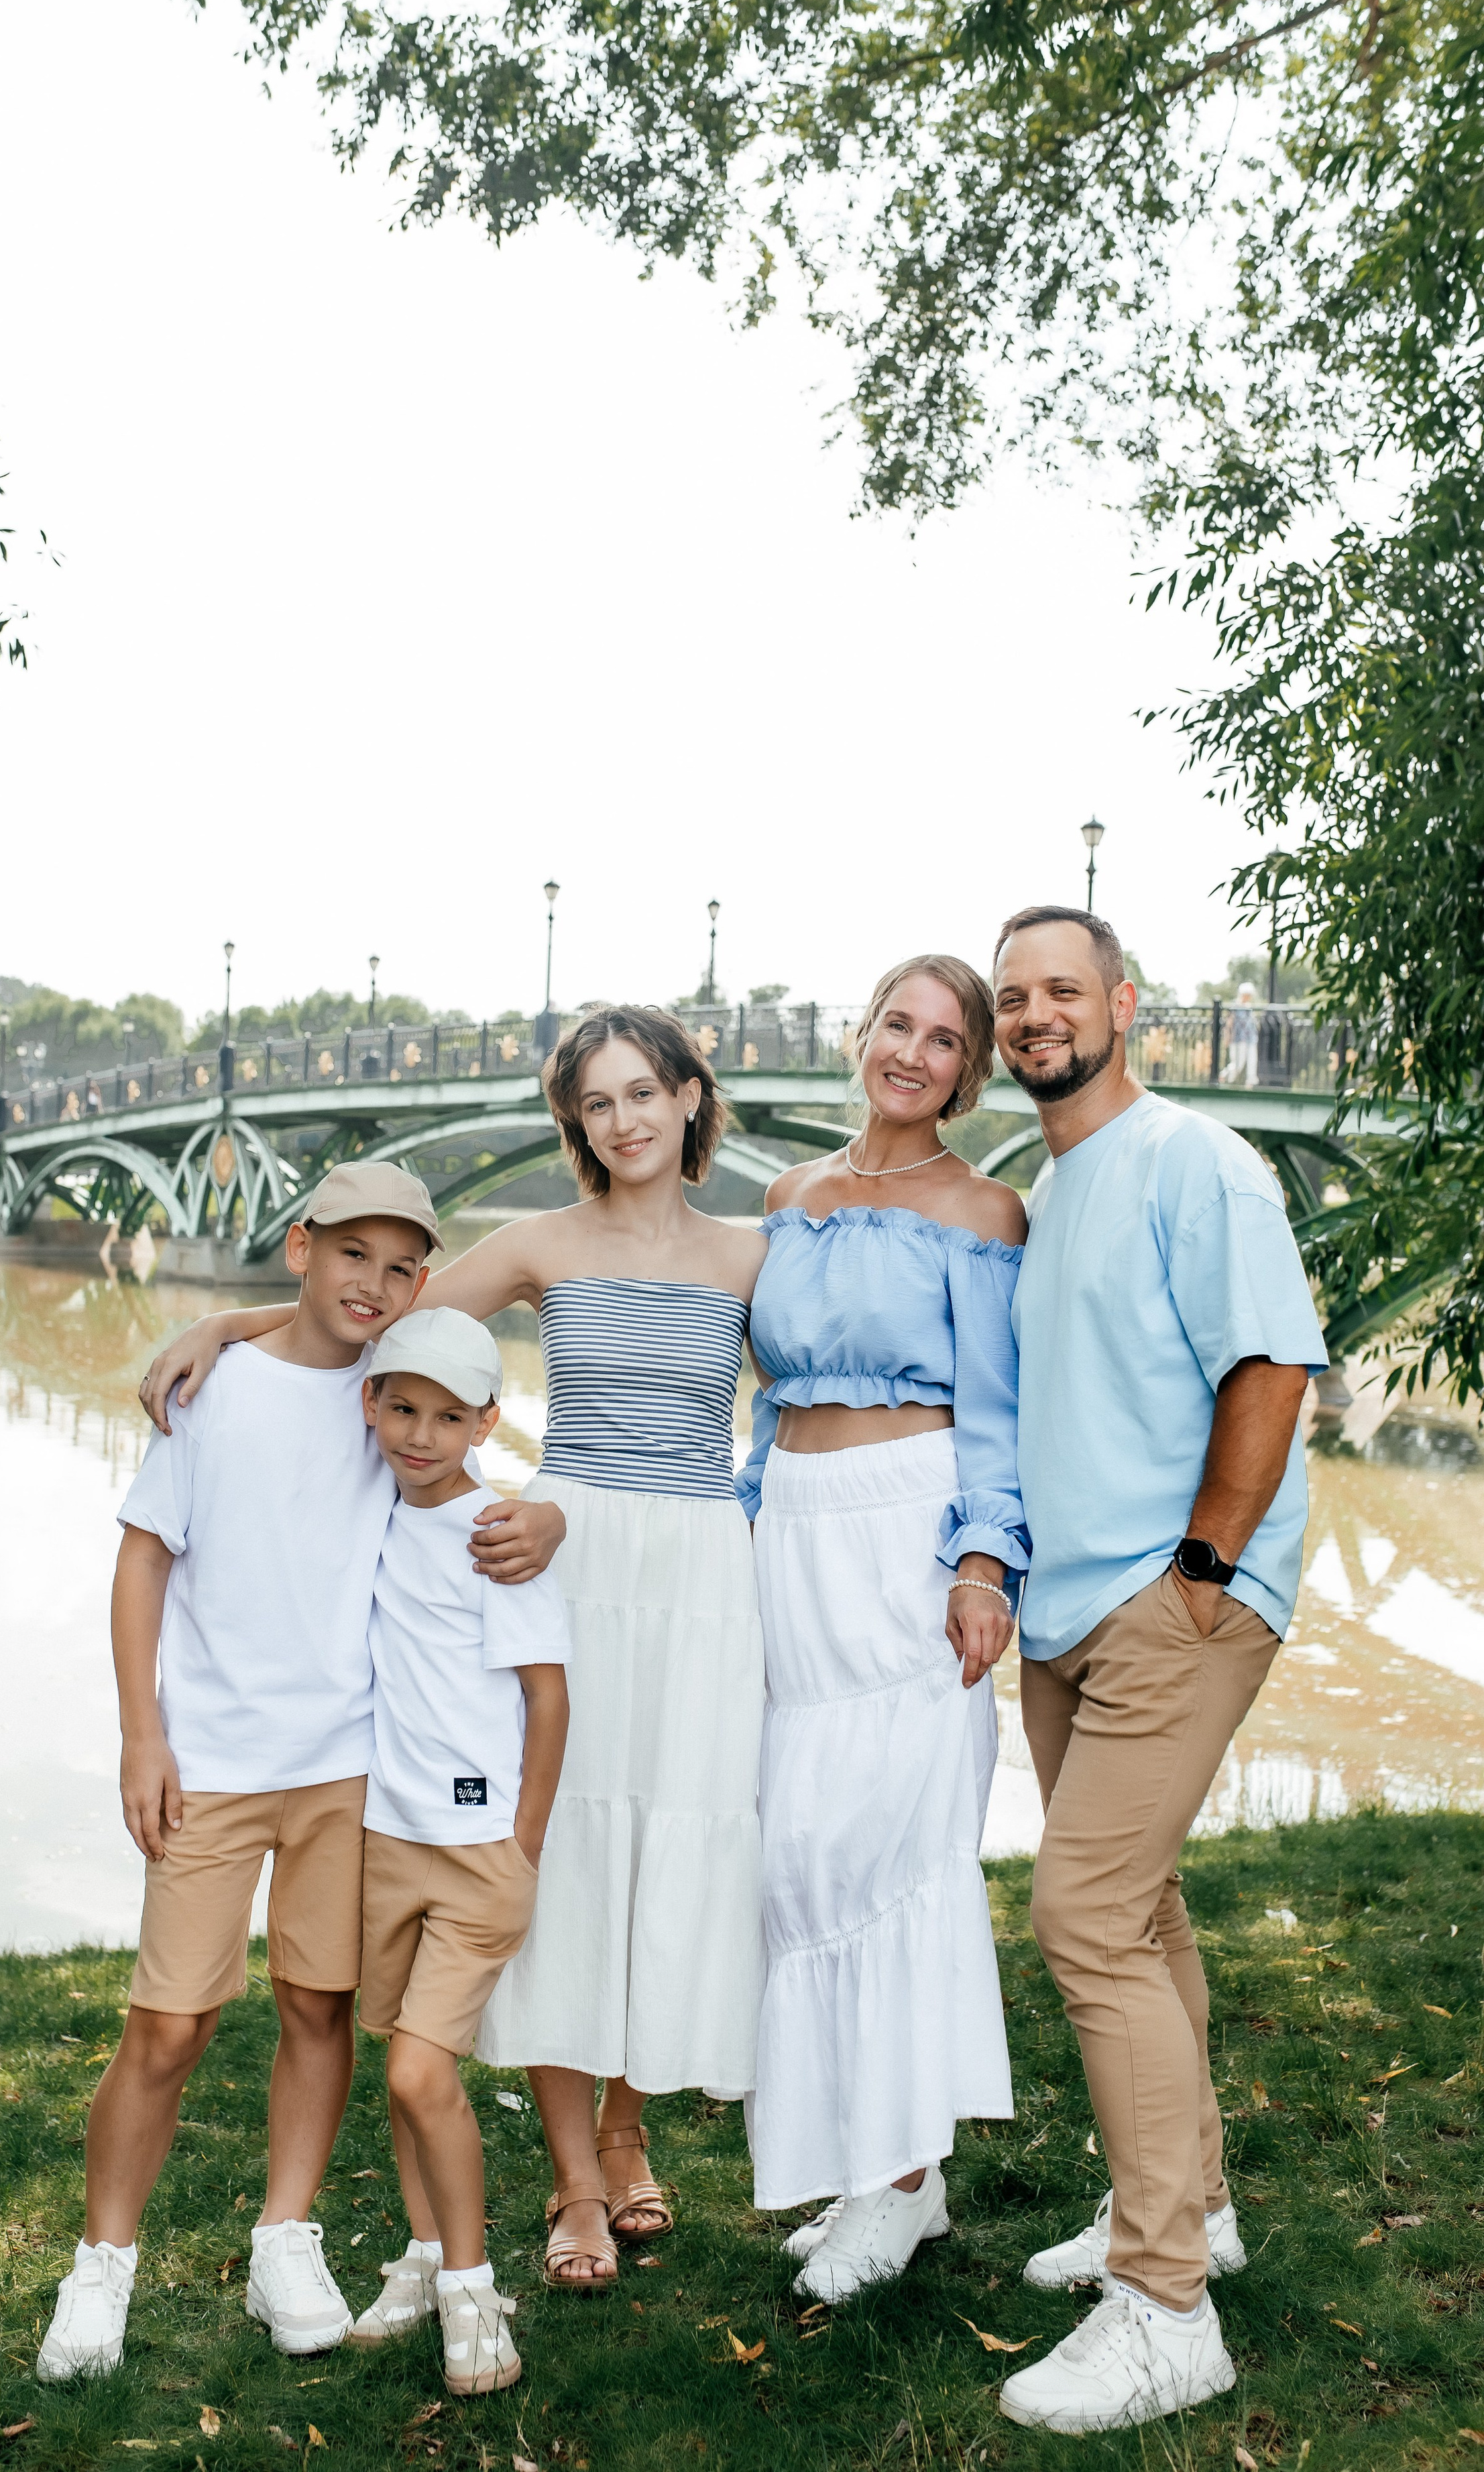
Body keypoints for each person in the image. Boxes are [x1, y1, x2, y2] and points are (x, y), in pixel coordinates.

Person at [141, 1004, 765, 2292]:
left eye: (646, 1091)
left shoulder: (757, 1254)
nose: (624, 1119)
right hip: (557, 1547)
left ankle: (630, 2126)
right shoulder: (543, 1242)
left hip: (701, 1571)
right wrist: (230, 1327)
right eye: (596, 1103)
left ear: (693, 1097)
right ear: (576, 1124)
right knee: (572, 1849)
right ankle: (575, 2185)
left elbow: (817, 1405)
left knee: (677, 1837)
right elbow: (380, 1323)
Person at [37, 1165, 565, 2384]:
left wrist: (559, 1517)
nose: (371, 1284)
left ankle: (288, 2232)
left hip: (350, 1772)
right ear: (299, 1247)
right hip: (212, 1765)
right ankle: (101, 2265)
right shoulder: (210, 1389)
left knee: (318, 2010)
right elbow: (142, 1562)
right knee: (168, 2027)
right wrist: (140, 1733)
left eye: (399, 1266)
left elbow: (495, 1460)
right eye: (351, 1255)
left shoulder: (395, 1399)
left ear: (421, 1285)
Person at [989, 906, 1326, 2435]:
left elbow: (1269, 1363)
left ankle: (1164, 2309)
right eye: (1011, 998)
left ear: (1123, 1003)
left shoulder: (1194, 1160)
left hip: (1169, 1598)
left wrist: (1201, 1565)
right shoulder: (1049, 1192)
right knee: (1144, 1906)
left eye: (1060, 989)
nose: (1032, 1016)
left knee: (1081, 1914)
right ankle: (1192, 2208)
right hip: (1068, 1610)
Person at [738, 954, 1027, 2303]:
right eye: (895, 1025)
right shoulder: (784, 1202)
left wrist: (982, 1561)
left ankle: (900, 2181)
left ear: (967, 1073)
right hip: (793, 1528)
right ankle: (879, 2160)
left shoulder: (984, 1212)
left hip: (908, 1536)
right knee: (801, 1852)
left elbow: (998, 1412)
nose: (912, 1052)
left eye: (942, 1039)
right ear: (860, 1036)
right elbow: (755, 1404)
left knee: (896, 1849)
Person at [346, 1308, 570, 2396]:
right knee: (399, 2066)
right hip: (388, 1842)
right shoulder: (368, 1514)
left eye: (448, 1416)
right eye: (403, 1410)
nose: (421, 1436)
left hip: (480, 1851)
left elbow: (547, 1697)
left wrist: (521, 1845)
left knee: (419, 2069)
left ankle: (476, 2292)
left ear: (486, 1420)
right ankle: (427, 2253)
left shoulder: (499, 1534)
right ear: (372, 1408)